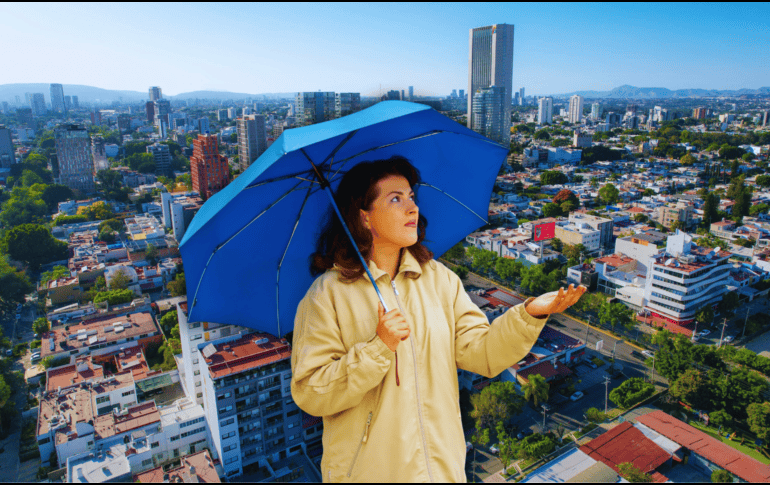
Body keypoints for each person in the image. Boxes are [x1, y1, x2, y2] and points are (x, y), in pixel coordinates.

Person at [291, 156, 585, 482]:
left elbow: (482, 354)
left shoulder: (439, 280)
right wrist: (378, 347)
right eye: (395, 199)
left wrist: (530, 313)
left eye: (411, 197)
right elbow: (312, 393)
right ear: (364, 217)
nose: (411, 208)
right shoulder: (327, 296)